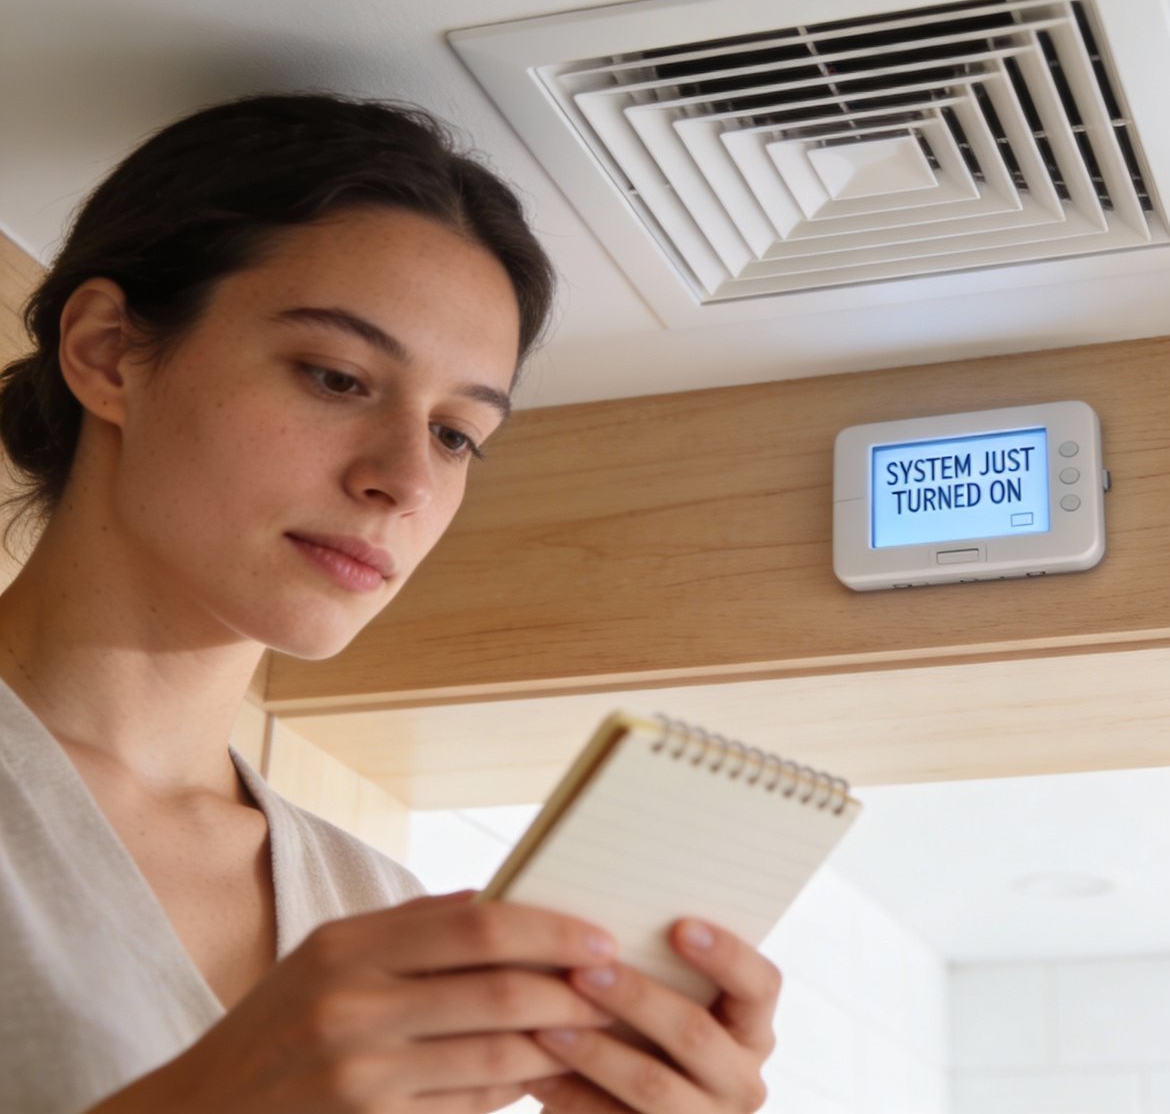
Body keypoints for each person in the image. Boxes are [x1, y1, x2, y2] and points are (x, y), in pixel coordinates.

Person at [0, 93, 778, 1114]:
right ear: (107, 350)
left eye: (457, 435)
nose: (406, 481)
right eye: (336, 377)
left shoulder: (381, 910)